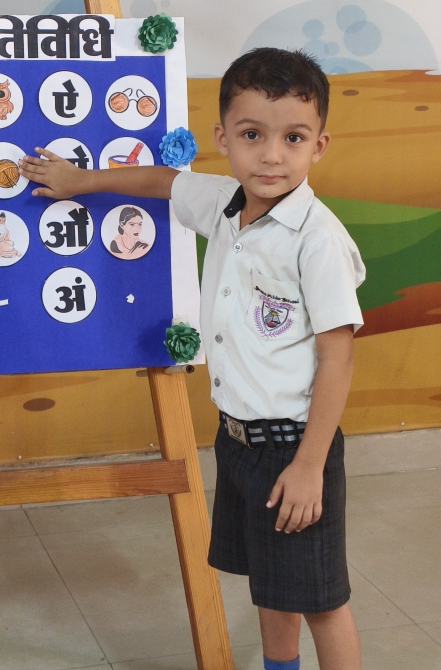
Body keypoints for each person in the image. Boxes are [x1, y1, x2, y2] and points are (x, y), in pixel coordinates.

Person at [20, 48, 365, 670]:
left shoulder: (318, 241)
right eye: (252, 135)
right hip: (238, 441)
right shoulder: (226, 203)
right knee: (271, 584)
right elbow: (163, 182)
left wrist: (310, 465)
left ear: (319, 146)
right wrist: (82, 181)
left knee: (320, 600)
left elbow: (337, 356)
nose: (271, 155)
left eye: (293, 138)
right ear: (223, 138)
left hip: (295, 447)